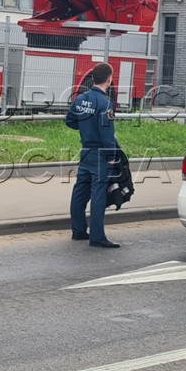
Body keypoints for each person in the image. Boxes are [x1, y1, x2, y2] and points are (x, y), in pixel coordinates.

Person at [66, 61, 122, 249]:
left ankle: (78, 230)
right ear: (109, 79)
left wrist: (84, 128)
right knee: (98, 193)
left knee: (80, 191)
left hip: (86, 150)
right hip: (100, 153)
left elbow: (70, 121)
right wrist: (111, 155)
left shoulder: (81, 98)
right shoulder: (105, 103)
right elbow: (107, 133)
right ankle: (97, 236)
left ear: (92, 78)